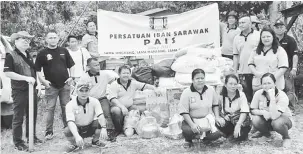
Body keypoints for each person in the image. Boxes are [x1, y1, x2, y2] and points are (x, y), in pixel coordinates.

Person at [4, 31, 42, 151]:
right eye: (23, 39)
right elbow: (7, 73)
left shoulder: (28, 54)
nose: (27, 41)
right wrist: (25, 78)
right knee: (18, 117)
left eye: (28, 39)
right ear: (16, 41)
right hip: (19, 91)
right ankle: (18, 142)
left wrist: (39, 85)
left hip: (32, 90)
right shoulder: (10, 55)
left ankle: (31, 137)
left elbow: (35, 72)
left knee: (33, 114)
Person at [35, 30, 75, 140]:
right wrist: (43, 81)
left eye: (55, 37)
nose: (53, 39)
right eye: (50, 37)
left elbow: (71, 65)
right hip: (50, 86)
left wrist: (71, 76)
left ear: (58, 39)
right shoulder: (42, 53)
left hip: (65, 85)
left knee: (66, 107)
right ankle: (49, 132)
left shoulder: (64, 51)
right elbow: (37, 70)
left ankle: (68, 128)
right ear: (46, 39)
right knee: (50, 108)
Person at [108, 65, 159, 136]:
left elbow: (145, 86)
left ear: (130, 74)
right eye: (124, 73)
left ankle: (133, 127)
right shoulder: (114, 84)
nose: (126, 75)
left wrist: (155, 89)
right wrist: (122, 107)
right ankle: (118, 130)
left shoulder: (133, 83)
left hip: (130, 106)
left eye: (127, 73)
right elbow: (113, 99)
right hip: (117, 106)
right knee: (116, 111)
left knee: (141, 110)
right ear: (119, 74)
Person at [179, 69, 224, 148]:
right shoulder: (186, 92)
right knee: (188, 131)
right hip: (193, 120)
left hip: (207, 119)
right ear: (192, 80)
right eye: (197, 78)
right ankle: (188, 140)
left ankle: (206, 139)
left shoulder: (210, 90)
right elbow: (184, 112)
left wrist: (217, 117)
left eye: (202, 78)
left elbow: (215, 105)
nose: (200, 80)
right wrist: (192, 124)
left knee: (218, 132)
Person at [78, 57, 117, 141]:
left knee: (106, 113)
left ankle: (110, 132)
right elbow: (79, 91)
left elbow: (116, 80)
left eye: (98, 64)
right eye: (95, 65)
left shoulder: (105, 74)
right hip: (90, 100)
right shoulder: (84, 78)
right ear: (88, 67)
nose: (98, 67)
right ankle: (86, 132)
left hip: (102, 98)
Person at [64, 81, 108, 153]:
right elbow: (70, 122)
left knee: (103, 121)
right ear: (76, 91)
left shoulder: (95, 101)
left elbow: (100, 115)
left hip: (90, 126)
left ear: (89, 91)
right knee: (67, 130)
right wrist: (77, 136)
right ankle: (75, 144)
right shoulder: (70, 104)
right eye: (81, 91)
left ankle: (95, 141)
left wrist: (104, 128)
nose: (84, 93)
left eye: (86, 90)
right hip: (77, 128)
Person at [250, 73, 292, 148]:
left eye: (269, 83)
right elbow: (252, 110)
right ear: (261, 85)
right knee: (255, 119)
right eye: (264, 83)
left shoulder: (282, 96)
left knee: (276, 122)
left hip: (282, 120)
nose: (267, 86)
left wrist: (272, 97)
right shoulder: (258, 93)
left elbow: (274, 116)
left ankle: (286, 137)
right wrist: (262, 112)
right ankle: (266, 134)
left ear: (275, 83)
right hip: (267, 120)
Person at [248, 27, 288, 92]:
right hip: (258, 84)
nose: (266, 39)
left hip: (275, 84)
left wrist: (271, 79)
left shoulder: (280, 50)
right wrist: (256, 73)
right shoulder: (255, 50)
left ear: (273, 37)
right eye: (263, 37)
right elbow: (250, 64)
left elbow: (283, 68)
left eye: (268, 36)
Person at [273, 20, 299, 112]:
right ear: (274, 28)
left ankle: (291, 107)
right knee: (277, 88)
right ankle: (277, 107)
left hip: (287, 69)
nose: (279, 29)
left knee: (289, 88)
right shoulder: (271, 39)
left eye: (281, 27)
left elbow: (295, 55)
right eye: (277, 27)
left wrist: (294, 68)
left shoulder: (290, 40)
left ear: (285, 28)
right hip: (275, 69)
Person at [233, 16, 260, 103]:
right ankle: (248, 114)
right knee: (246, 95)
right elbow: (236, 55)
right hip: (243, 71)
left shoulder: (258, 35)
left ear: (250, 24)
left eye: (243, 22)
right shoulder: (237, 38)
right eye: (239, 23)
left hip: (257, 71)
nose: (241, 25)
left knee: (258, 95)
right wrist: (235, 71)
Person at [216, 74, 251, 141]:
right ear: (225, 85)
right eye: (230, 84)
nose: (233, 86)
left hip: (240, 121)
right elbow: (218, 109)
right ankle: (227, 134)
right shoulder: (221, 95)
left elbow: (244, 111)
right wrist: (221, 117)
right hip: (228, 121)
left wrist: (238, 125)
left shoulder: (241, 95)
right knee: (218, 123)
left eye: (235, 84)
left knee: (240, 136)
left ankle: (234, 135)